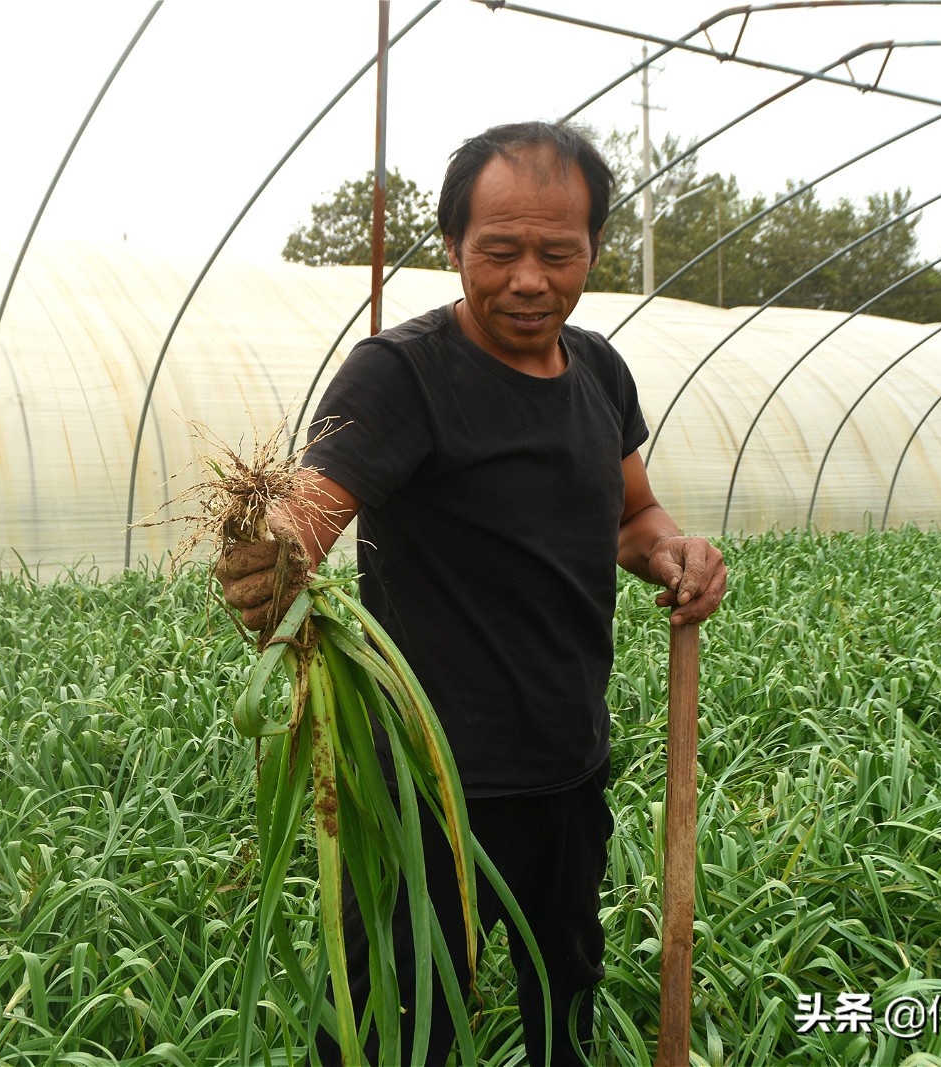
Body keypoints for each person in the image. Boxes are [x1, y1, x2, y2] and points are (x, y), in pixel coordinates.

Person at [217, 120, 726, 1066]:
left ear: (593, 251)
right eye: (499, 252)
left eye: (558, 253)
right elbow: (310, 514)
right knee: (396, 1029)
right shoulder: (402, 375)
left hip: (568, 769)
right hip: (425, 790)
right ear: (453, 246)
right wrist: (272, 553)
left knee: (563, 996)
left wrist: (674, 552)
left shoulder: (600, 372)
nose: (530, 280)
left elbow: (633, 515)